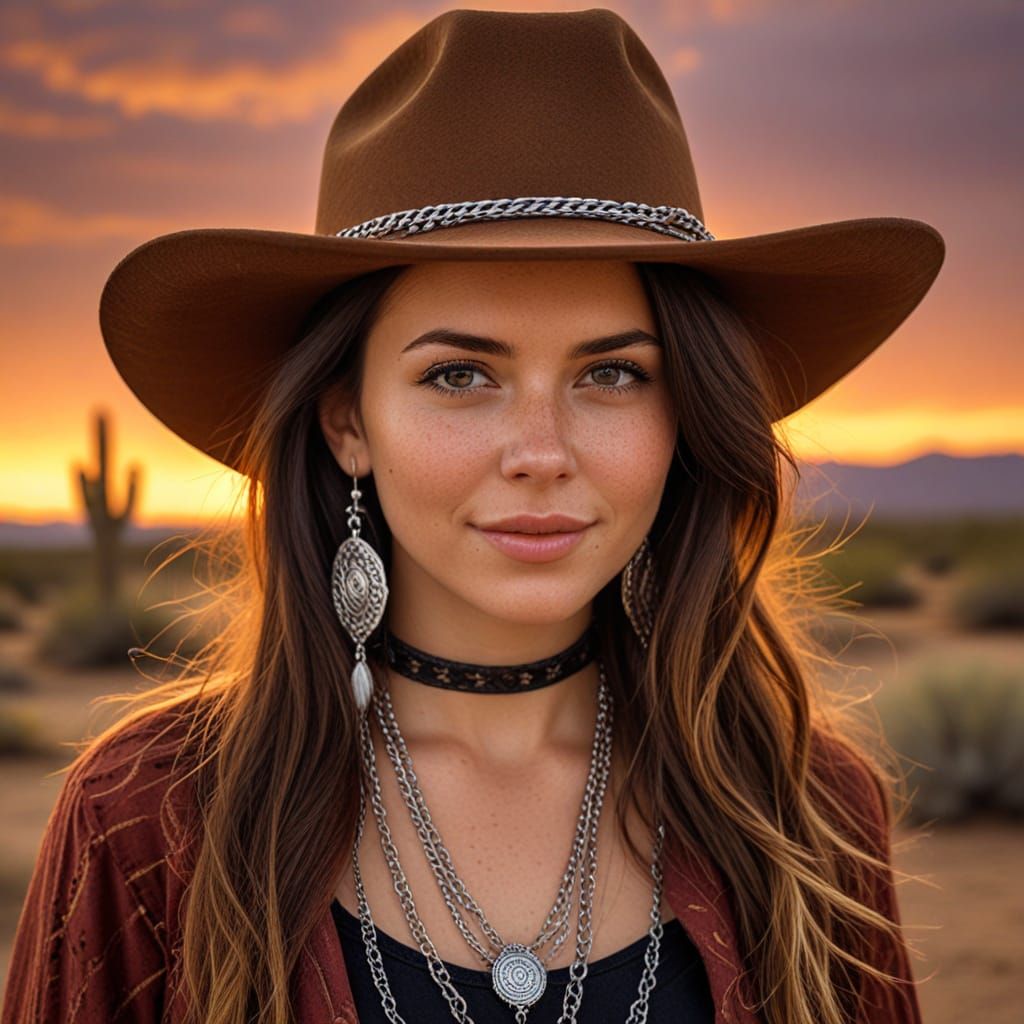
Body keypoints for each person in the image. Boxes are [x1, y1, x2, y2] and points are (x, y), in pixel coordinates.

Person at [0, 8, 944, 1024]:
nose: (540, 452)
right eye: (460, 374)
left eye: (613, 374)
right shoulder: (148, 820)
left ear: (685, 416)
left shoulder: (805, 812)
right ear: (348, 421)